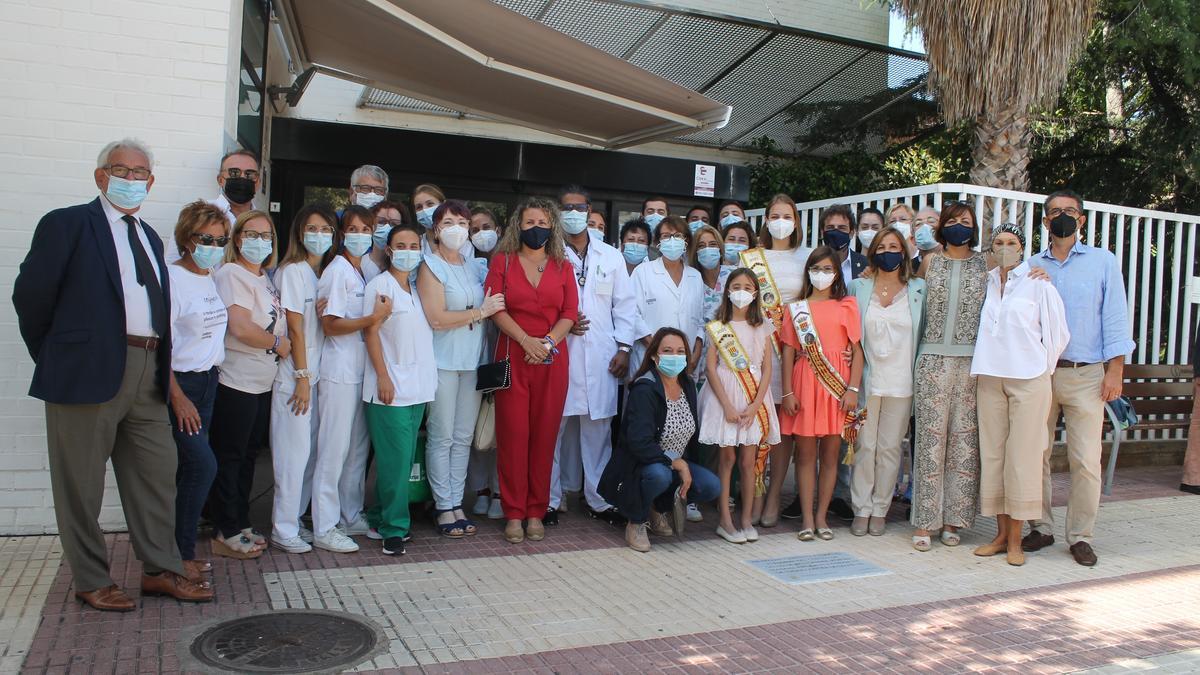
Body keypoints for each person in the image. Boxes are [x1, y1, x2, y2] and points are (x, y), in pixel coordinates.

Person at [13, 138, 211, 609]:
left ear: (150, 181)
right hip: (86, 370)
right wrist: (57, 355)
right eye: (120, 170)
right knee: (81, 482)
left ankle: (160, 568)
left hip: (148, 369)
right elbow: (31, 297)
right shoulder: (67, 224)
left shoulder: (149, 235)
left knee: (157, 472)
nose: (130, 179)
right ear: (100, 176)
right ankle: (91, 578)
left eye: (139, 172)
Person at [1024, 190, 1135, 567]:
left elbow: (1115, 318)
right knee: (1036, 452)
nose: (1063, 217)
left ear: (1082, 220)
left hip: (1087, 374)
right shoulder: (1031, 265)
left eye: (1070, 211)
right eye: (1055, 212)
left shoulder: (1102, 262)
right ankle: (1041, 526)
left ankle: (1081, 535)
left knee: (1086, 459)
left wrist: (1115, 369)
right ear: (1045, 221)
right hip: (1041, 373)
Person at [972, 224, 1070, 566]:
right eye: (998, 243)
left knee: (1022, 458)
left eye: (1011, 243)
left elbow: (1058, 334)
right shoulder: (986, 282)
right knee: (994, 456)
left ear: (1022, 247)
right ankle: (999, 535)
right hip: (989, 376)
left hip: (1029, 378)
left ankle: (1016, 539)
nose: (1004, 248)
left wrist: (1042, 369)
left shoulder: (1038, 283)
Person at [485, 197, 579, 544]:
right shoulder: (503, 262)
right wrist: (526, 341)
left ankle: (536, 511)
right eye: (528, 223)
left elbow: (570, 312)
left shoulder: (562, 266)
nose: (535, 228)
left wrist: (548, 344)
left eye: (541, 222)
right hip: (513, 355)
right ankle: (513, 512)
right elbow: (495, 307)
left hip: (552, 361)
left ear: (552, 226)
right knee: (513, 437)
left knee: (544, 437)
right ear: (517, 227)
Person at [551, 185, 637, 526]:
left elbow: (626, 307)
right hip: (560, 352)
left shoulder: (611, 255)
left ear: (589, 211)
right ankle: (549, 500)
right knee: (552, 431)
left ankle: (598, 500)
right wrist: (563, 323)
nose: (573, 212)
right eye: (566, 207)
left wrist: (624, 348)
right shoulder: (549, 253)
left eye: (579, 207)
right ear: (558, 212)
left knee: (598, 432)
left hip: (603, 355)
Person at [418, 200, 504, 537]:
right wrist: (479, 313)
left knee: (463, 437)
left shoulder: (472, 266)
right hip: (442, 362)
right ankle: (442, 506)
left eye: (463, 223)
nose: (458, 228)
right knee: (441, 436)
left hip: (472, 364)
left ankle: (457, 503)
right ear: (437, 229)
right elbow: (437, 318)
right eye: (450, 222)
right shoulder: (429, 266)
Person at [208, 210, 286, 559]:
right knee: (230, 456)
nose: (259, 241)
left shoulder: (264, 278)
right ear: (237, 239)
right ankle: (224, 528)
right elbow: (239, 327)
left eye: (266, 235)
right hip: (235, 380)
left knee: (249, 456)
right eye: (251, 234)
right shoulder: (231, 274)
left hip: (261, 382)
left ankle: (240, 521)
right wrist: (276, 344)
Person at [600, 328, 722, 552]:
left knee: (710, 485)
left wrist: (684, 464)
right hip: (640, 466)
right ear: (655, 356)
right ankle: (636, 521)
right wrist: (677, 463)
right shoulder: (644, 389)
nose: (674, 357)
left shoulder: (687, 386)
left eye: (680, 351)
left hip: (671, 464)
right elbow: (639, 443)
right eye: (667, 351)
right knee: (659, 474)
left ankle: (658, 507)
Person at [910, 201, 987, 551]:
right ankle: (925, 522)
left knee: (963, 445)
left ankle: (955, 519)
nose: (959, 226)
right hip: (932, 361)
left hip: (971, 365)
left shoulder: (985, 265)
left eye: (965, 221)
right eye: (952, 221)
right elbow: (917, 311)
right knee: (930, 443)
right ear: (942, 226)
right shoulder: (930, 262)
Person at [313, 205, 388, 553]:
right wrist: (372, 319)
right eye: (352, 229)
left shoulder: (364, 269)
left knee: (357, 450)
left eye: (366, 229)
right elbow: (330, 324)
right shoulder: (337, 270)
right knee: (334, 449)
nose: (359, 234)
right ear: (342, 233)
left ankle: (350, 514)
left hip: (361, 369)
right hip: (339, 369)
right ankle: (324, 525)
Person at [363, 223, 437, 555]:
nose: (408, 251)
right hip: (389, 388)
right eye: (401, 246)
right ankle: (395, 530)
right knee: (394, 463)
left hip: (417, 388)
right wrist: (382, 376)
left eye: (413, 245)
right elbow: (371, 333)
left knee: (402, 460)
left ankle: (379, 517)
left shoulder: (416, 290)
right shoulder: (380, 286)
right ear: (389, 250)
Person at [779, 247, 863, 542]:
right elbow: (787, 352)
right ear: (808, 272)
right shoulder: (795, 309)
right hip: (804, 383)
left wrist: (853, 389)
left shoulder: (847, 305)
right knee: (804, 456)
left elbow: (857, 352)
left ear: (837, 274)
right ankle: (805, 518)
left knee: (830, 456)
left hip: (835, 386)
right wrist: (787, 391)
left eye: (828, 269)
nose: (822, 274)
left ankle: (821, 516)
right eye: (816, 268)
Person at [847, 227, 926, 537]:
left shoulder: (919, 289)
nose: (887, 252)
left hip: (903, 381)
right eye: (881, 247)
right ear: (873, 252)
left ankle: (880, 508)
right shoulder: (859, 286)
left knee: (891, 448)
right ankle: (861, 508)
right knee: (865, 445)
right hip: (869, 381)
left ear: (904, 252)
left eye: (894, 246)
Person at [268, 204, 337, 554]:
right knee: (292, 456)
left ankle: (295, 521)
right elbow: (295, 328)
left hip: (314, 377)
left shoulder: (319, 273)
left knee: (308, 455)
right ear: (299, 232)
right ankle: (283, 527)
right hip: (296, 379)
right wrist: (302, 377)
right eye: (313, 228)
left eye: (327, 230)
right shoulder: (293, 271)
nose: (319, 236)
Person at [166, 201, 230, 578]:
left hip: (209, 381)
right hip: (183, 385)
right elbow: (163, 346)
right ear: (187, 238)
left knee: (190, 471)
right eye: (206, 238)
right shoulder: (172, 279)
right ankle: (179, 555)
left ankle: (179, 552)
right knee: (201, 466)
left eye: (220, 240)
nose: (213, 245)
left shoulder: (210, 275)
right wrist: (177, 396)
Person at [742, 194, 812, 527]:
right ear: (766, 220)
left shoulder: (808, 257)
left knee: (783, 427)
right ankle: (753, 493)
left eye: (787, 215)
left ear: (796, 221)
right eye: (775, 215)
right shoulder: (751, 258)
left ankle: (773, 496)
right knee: (758, 423)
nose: (781, 220)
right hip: (760, 346)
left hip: (795, 351)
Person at [699, 270, 779, 544]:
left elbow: (768, 369)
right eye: (736, 286)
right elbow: (710, 367)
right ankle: (725, 518)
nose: (742, 291)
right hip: (725, 396)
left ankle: (745, 518)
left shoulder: (762, 325)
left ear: (756, 292)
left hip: (754, 397)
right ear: (727, 290)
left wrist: (756, 404)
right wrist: (727, 406)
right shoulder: (718, 324)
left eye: (747, 286)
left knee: (749, 461)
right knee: (727, 459)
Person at [467, 206, 506, 518]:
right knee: (477, 426)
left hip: (505, 353)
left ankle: (498, 491)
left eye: (487, 226)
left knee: (503, 427)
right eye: (474, 228)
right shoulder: (466, 265)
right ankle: (479, 490)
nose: (482, 233)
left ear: (500, 229)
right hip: (475, 356)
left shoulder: (512, 261)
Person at [630, 216, 705, 377]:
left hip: (686, 362)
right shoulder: (643, 272)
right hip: (649, 358)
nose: (672, 240)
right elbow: (633, 315)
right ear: (657, 241)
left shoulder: (695, 276)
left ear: (686, 240)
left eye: (677, 235)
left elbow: (700, 321)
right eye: (666, 236)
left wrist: (696, 354)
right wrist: (657, 350)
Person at [164, 149, 261, 264]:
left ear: (258, 182)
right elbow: (174, 261)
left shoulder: (263, 222)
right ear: (220, 179)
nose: (243, 178)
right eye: (234, 173)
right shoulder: (198, 214)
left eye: (249, 174)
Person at [821, 204, 869, 284]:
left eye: (842, 228)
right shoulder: (813, 263)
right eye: (830, 227)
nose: (836, 232)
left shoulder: (866, 264)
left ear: (851, 233)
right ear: (822, 233)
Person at [366, 200, 410, 278]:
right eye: (381, 222)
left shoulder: (407, 267)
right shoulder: (358, 264)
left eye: (394, 224)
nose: (387, 227)